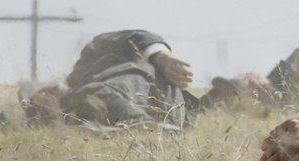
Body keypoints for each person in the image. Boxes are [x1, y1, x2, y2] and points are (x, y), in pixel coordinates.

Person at [34, 29, 198, 130]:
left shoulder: (91, 58)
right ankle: (143, 125)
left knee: (96, 95)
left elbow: (136, 36)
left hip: (167, 99)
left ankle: (143, 125)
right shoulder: (71, 115)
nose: (48, 92)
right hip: (169, 116)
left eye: (49, 89)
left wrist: (162, 57)